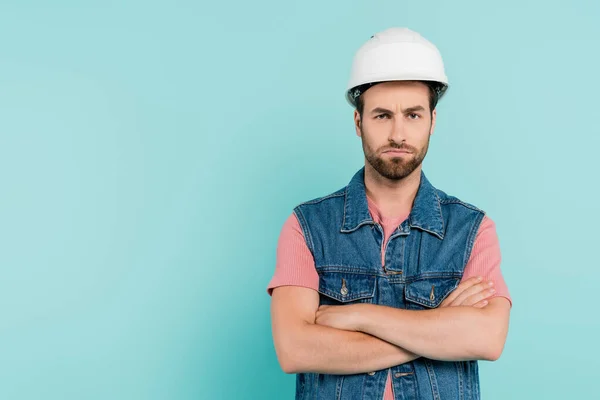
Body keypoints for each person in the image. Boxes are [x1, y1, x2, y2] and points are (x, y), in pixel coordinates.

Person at [266, 27, 512, 400]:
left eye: (413, 115)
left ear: (432, 121)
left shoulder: (473, 230)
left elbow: (488, 339)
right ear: (358, 122)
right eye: (382, 116)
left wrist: (359, 316)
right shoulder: (307, 226)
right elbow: (295, 349)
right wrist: (437, 329)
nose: (398, 133)